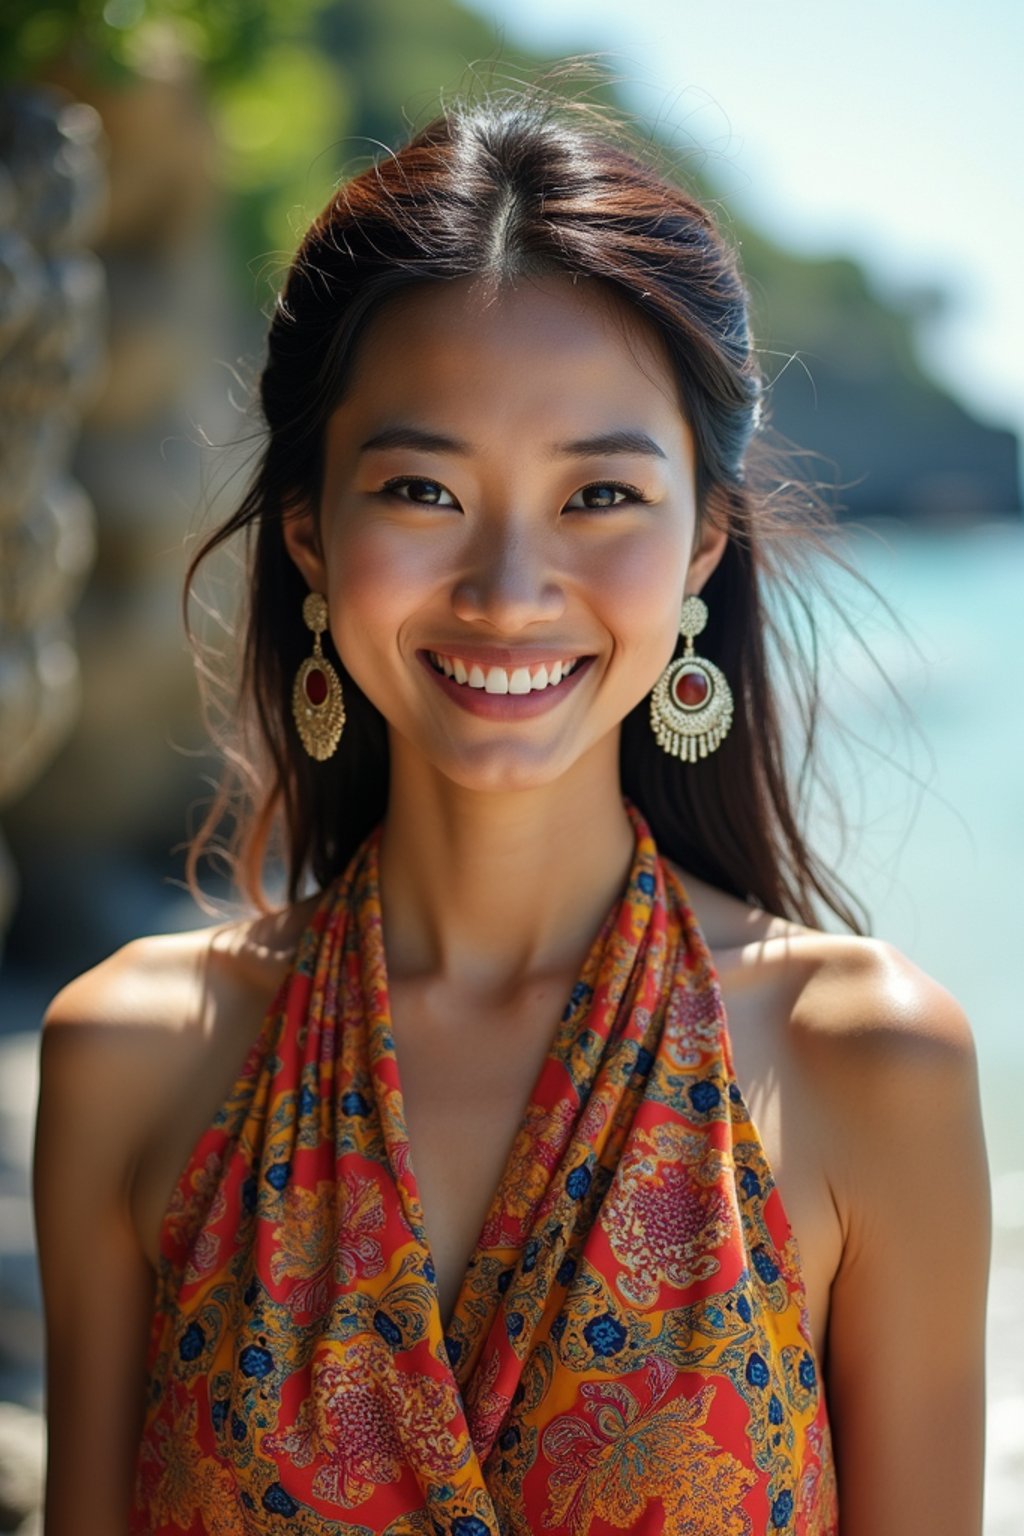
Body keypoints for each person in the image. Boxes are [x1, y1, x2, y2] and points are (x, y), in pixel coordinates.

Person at [32, 92, 990, 1536]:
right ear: (309, 532)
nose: (508, 588)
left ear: (701, 547)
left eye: (600, 493)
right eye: (423, 487)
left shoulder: (868, 1064)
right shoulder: (132, 1057)